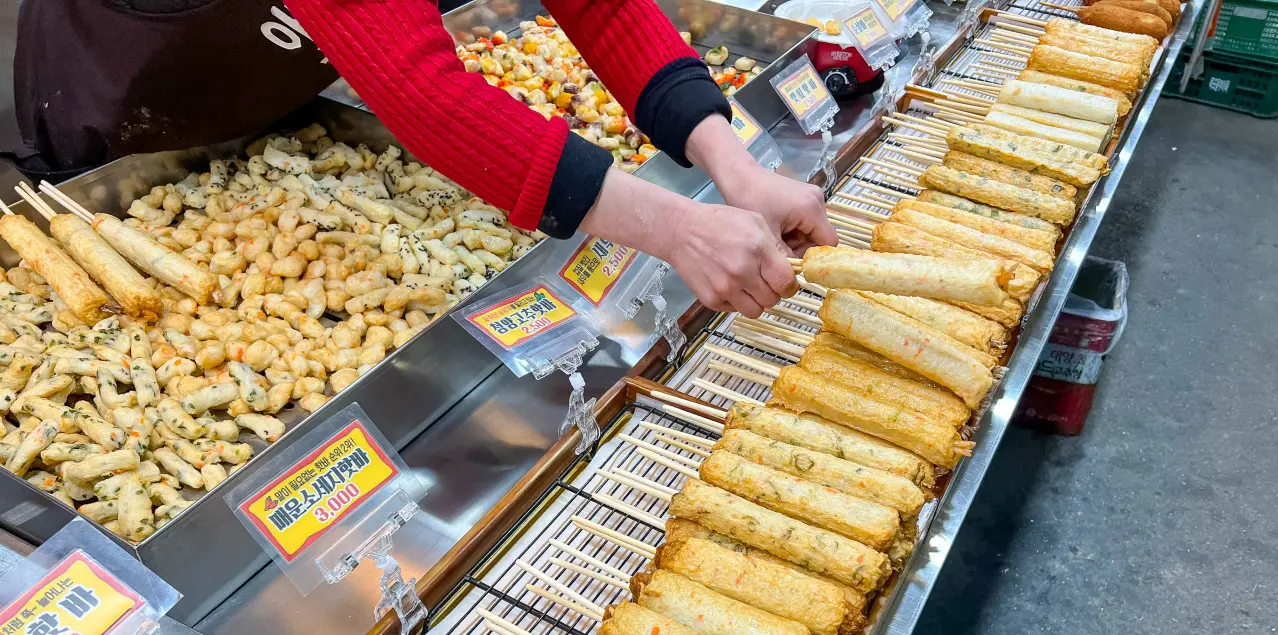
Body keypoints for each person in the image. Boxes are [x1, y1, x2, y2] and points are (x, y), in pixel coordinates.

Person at [13, 0, 836, 317]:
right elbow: (425, 94)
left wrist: (734, 166)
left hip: (280, 73)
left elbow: (603, 6)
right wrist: (680, 228)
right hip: (127, 90)